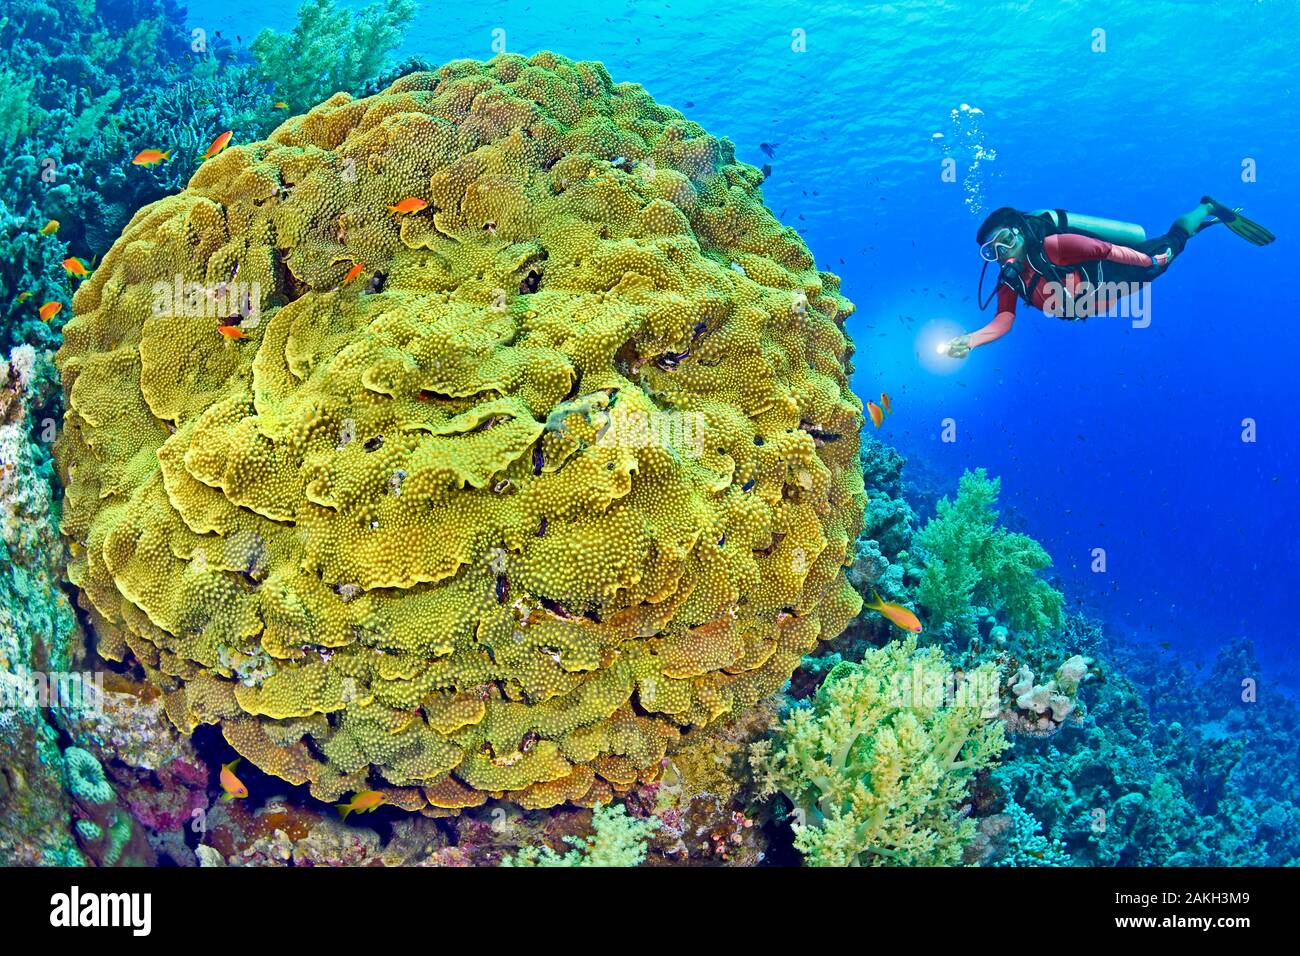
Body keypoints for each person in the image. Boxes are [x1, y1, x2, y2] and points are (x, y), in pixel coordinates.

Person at [944, 198, 1274, 357]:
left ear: (1019, 233)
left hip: (1121, 273)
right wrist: (971, 340)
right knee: (1174, 244)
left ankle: (1205, 209)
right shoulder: (1010, 280)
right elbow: (1004, 319)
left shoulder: (1052, 247)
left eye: (1006, 240)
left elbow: (1103, 249)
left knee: (1173, 244)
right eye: (993, 250)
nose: (1002, 252)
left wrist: (1146, 260)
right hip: (1100, 299)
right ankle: (1197, 225)